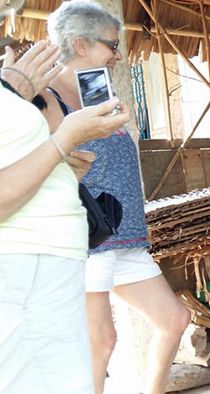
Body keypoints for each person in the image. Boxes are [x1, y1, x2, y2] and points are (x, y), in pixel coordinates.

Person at [41, 2, 191, 393]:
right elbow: (53, 165)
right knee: (100, 342)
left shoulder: (98, 94)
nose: (118, 55)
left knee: (174, 320)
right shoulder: (49, 100)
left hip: (125, 238)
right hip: (88, 242)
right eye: (111, 45)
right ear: (79, 44)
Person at [0, 33, 130, 394]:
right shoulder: (13, 90)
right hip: (24, 269)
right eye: (110, 44)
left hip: (50, 263)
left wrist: (61, 170)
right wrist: (64, 140)